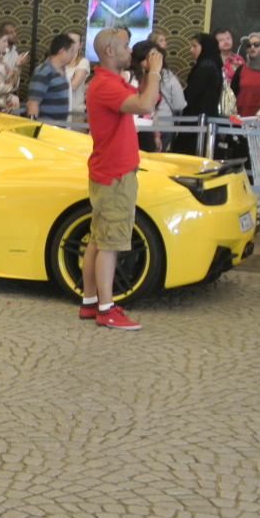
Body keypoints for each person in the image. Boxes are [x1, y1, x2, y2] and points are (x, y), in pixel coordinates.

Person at [82, 27, 162, 330]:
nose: (131, 51)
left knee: (99, 240)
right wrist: (154, 72)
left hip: (110, 172)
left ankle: (91, 303)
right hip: (115, 174)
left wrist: (144, 74)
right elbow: (145, 105)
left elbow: (141, 97)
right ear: (110, 52)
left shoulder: (112, 81)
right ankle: (106, 308)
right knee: (110, 244)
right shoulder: (104, 85)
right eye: (126, 47)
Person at [172, 32, 223, 155]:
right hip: (205, 117)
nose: (191, 50)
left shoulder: (206, 66)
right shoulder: (212, 63)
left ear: (204, 47)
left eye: (195, 46)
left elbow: (192, 94)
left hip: (197, 119)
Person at [25, 34, 77, 122]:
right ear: (62, 51)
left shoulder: (62, 69)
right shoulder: (43, 72)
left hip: (59, 127)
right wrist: (34, 130)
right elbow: (33, 104)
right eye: (71, 51)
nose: (73, 55)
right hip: (45, 128)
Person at [230, 32, 260, 117]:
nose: (252, 47)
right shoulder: (241, 69)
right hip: (242, 120)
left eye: (256, 44)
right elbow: (233, 94)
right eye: (249, 45)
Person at [64, 29, 90, 119]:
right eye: (68, 41)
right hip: (58, 110)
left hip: (75, 111)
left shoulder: (83, 62)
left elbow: (74, 85)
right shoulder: (59, 62)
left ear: (80, 45)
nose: (70, 45)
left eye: (74, 42)